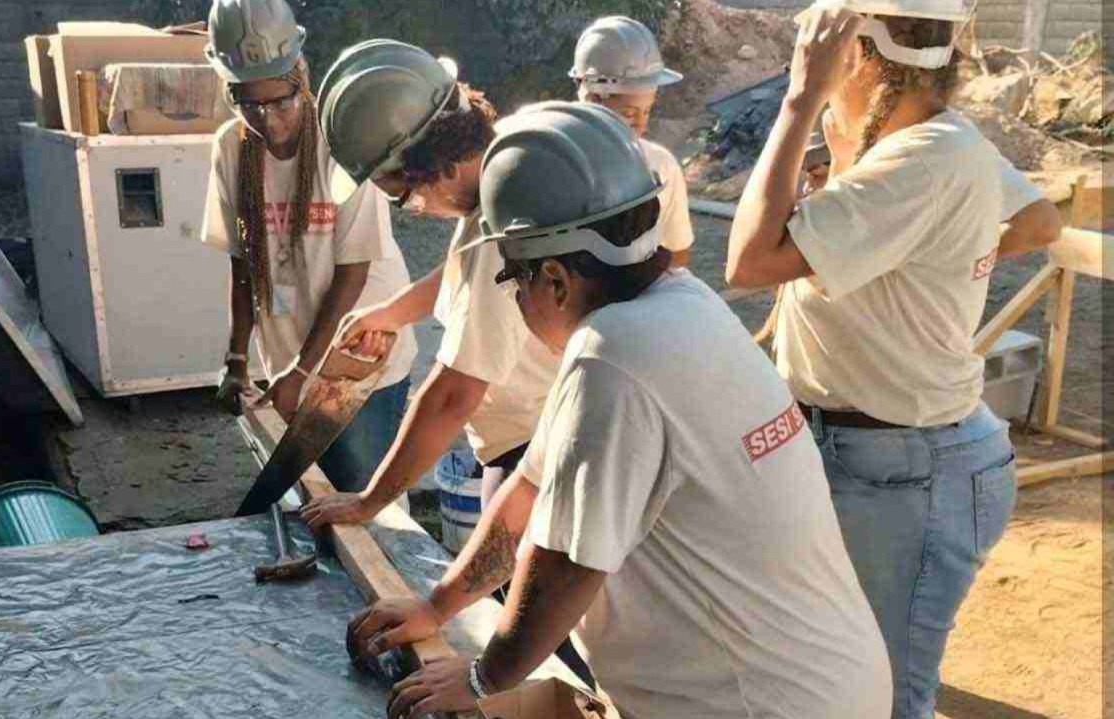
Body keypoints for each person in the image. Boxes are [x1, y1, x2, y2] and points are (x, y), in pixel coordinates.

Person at [344, 101, 892, 719]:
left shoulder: (614, 360)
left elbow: (564, 567)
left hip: (765, 703)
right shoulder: (681, 308)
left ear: (552, 279)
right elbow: (525, 498)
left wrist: (479, 679)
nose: (517, 300)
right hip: (812, 683)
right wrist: (438, 606)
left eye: (512, 282)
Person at [724, 2, 1062, 717]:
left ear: (859, 53)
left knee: (883, 697)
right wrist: (914, 250)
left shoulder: (924, 159)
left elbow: (750, 260)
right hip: (879, 456)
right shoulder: (937, 141)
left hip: (905, 470)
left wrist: (799, 98)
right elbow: (1038, 219)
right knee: (841, 671)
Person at [298, 40, 559, 528]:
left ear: (444, 166)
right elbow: (468, 275)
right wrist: (392, 313)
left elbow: (450, 397)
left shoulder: (495, 231)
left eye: (404, 196)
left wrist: (369, 501)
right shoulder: (515, 170)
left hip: (539, 445)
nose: (414, 210)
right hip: (548, 430)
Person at [201, 0, 416, 493]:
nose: (268, 120)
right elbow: (242, 263)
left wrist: (304, 371)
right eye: (249, 104)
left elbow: (353, 272)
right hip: (288, 352)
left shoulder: (338, 142)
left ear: (301, 78)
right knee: (308, 499)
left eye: (280, 102)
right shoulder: (230, 148)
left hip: (360, 358)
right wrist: (237, 359)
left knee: (358, 496)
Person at [570, 16, 695, 267]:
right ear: (593, 100)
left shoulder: (660, 166)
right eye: (629, 114)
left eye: (647, 111)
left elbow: (677, 256)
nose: (642, 125)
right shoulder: (548, 162)